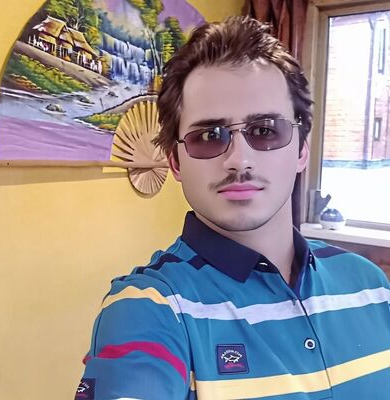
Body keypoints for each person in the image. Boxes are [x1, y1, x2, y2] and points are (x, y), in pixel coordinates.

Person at [75, 16, 390, 400]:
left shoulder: (371, 285)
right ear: (175, 161)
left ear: (301, 150)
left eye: (265, 130)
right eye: (209, 136)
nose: (239, 160)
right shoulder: (147, 309)